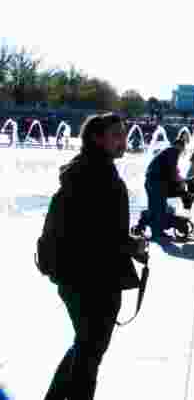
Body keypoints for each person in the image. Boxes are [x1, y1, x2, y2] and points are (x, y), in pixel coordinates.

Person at [45, 112, 148, 400]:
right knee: (90, 354)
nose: (123, 140)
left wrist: (127, 243)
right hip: (94, 279)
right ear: (96, 138)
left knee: (85, 346)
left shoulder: (84, 169)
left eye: (123, 134)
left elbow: (93, 229)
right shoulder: (100, 176)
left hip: (75, 275)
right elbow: (103, 237)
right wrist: (133, 247)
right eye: (116, 135)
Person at [144, 135, 185, 239]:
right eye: (182, 148)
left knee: (154, 207)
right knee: (159, 208)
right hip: (157, 183)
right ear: (180, 146)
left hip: (151, 182)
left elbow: (174, 170)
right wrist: (180, 186)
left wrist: (179, 179)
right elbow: (173, 171)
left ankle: (156, 232)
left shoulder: (167, 152)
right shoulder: (174, 151)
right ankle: (158, 233)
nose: (182, 151)